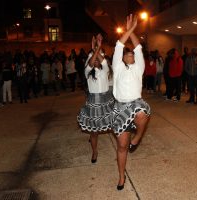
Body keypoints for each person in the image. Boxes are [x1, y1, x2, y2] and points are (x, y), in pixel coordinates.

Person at [112, 14, 150, 190]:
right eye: (126, 55)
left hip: (135, 104)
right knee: (121, 146)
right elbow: (120, 44)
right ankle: (121, 177)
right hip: (120, 107)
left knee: (143, 111)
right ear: (122, 58)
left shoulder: (138, 67)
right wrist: (128, 30)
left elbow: (138, 47)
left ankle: (138, 137)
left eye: (131, 55)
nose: (129, 56)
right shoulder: (117, 67)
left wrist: (133, 31)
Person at [77, 34, 114, 164]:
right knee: (94, 132)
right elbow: (91, 62)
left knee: (113, 126)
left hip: (106, 101)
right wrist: (95, 49)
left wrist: (96, 48)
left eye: (99, 57)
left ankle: (121, 147)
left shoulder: (105, 70)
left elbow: (102, 61)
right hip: (93, 102)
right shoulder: (88, 72)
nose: (97, 59)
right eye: (95, 57)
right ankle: (94, 151)